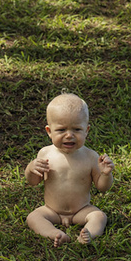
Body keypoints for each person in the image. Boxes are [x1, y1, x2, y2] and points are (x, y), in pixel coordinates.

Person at [24, 93, 115, 246]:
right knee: (33, 217)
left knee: (99, 216)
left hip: (81, 210)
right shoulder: (45, 154)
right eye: (61, 130)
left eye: (77, 130)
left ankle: (88, 234)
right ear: (49, 131)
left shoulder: (90, 157)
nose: (69, 135)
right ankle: (54, 233)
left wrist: (106, 174)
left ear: (86, 130)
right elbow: (33, 182)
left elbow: (102, 187)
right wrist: (31, 169)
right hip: (51, 210)